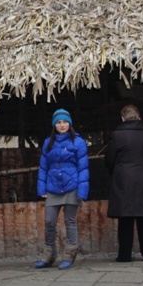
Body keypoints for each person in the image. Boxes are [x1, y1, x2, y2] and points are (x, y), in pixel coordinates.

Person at [35, 108, 89, 270]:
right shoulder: (48, 142)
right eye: (58, 122)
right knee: (49, 221)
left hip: (71, 185)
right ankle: (48, 254)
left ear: (70, 123)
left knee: (70, 221)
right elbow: (43, 167)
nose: (62, 125)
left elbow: (83, 167)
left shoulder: (78, 142)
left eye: (65, 122)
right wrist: (41, 188)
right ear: (54, 125)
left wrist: (82, 190)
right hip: (52, 186)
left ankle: (69, 254)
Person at [105, 104, 143, 262]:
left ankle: (124, 255)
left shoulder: (116, 135)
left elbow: (109, 159)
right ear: (139, 117)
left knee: (125, 218)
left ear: (123, 118)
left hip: (123, 179)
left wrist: (116, 172)